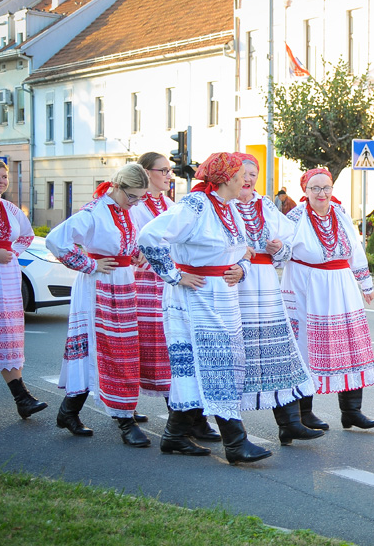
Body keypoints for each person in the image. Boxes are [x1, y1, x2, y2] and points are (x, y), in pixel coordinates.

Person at [138, 152, 270, 464]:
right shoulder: (195, 206)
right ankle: (235, 442)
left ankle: (174, 435)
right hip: (194, 297)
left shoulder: (231, 208)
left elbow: (243, 249)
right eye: (240, 175)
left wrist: (241, 268)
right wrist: (173, 275)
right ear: (225, 179)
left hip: (222, 297)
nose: (246, 181)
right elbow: (148, 236)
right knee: (214, 365)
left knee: (205, 368)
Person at [46, 163, 151, 447]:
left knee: (115, 346)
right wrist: (89, 264)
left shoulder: (123, 211)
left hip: (122, 282)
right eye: (132, 196)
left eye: (140, 198)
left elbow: (125, 245)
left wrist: (135, 254)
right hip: (99, 285)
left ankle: (69, 412)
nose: (135, 203)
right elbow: (55, 240)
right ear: (117, 187)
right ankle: (124, 420)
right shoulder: (94, 211)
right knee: (106, 346)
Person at [281, 168, 374, 433]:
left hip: (342, 283)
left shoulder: (340, 213)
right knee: (306, 345)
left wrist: (365, 282)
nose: (322, 193)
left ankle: (352, 411)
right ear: (305, 191)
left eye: (326, 188)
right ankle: (305, 412)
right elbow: (281, 249)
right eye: (315, 188)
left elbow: (355, 248)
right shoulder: (295, 217)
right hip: (308, 285)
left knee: (350, 343)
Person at [231, 153, 320, 445]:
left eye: (253, 175)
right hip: (235, 283)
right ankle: (218, 430)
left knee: (279, 349)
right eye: (243, 174)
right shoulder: (223, 205)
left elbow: (289, 239)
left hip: (266, 282)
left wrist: (279, 246)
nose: (248, 180)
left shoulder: (265, 205)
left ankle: (290, 422)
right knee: (235, 353)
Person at [132, 151, 220, 441]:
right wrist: (138, 253)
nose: (170, 176)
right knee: (155, 350)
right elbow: (132, 239)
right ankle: (130, 410)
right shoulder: (135, 205)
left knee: (177, 352)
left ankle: (189, 418)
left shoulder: (170, 204)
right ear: (145, 173)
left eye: (171, 171)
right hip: (145, 285)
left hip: (170, 283)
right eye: (164, 171)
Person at [0, 160, 46, 419]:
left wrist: (11, 253)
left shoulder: (10, 208)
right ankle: (22, 397)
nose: (1, 180)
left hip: (7, 277)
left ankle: (22, 398)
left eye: (4, 176)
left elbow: (26, 235)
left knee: (8, 335)